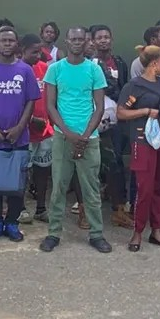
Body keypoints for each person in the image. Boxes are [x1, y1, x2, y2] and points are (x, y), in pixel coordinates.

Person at [39, 27, 112, 254]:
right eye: (74, 39)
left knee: (91, 189)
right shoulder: (55, 69)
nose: (78, 43)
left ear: (86, 42)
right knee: (59, 187)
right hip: (63, 137)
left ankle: (96, 234)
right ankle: (53, 233)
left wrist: (85, 135)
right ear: (67, 41)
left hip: (89, 138)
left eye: (81, 39)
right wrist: (68, 133)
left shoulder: (94, 69)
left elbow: (99, 107)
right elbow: (50, 106)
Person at [0, 27, 40, 242]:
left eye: (11, 41)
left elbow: (31, 101)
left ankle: (12, 223)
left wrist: (20, 127)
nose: (7, 44)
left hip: (18, 137)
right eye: (3, 40)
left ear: (16, 44)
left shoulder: (25, 70)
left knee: (17, 184)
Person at [117, 45, 160, 252]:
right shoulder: (134, 86)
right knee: (144, 188)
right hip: (143, 140)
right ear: (154, 64)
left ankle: (156, 231)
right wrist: (145, 111)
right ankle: (137, 232)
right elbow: (121, 113)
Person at [92, 24, 132, 228]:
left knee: (116, 163)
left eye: (106, 37)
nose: (103, 40)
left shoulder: (120, 62)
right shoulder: (90, 64)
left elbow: (125, 86)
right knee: (95, 163)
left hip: (118, 119)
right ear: (93, 41)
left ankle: (119, 209)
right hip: (95, 119)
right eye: (99, 37)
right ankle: (88, 209)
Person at [21, 34, 54, 221]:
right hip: (24, 132)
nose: (38, 55)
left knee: (43, 170)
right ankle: (21, 207)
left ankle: (41, 208)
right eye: (34, 52)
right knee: (23, 171)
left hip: (45, 131)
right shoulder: (16, 70)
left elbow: (50, 97)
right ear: (22, 51)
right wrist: (32, 119)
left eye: (39, 51)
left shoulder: (45, 69)